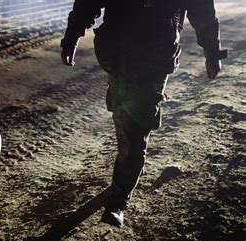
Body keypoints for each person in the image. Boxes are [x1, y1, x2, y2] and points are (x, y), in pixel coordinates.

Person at [61, 0, 226, 227]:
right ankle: (124, 169)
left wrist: (212, 50)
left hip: (155, 56)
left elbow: (202, 9)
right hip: (118, 52)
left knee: (135, 126)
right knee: (122, 114)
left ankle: (118, 199)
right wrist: (71, 38)